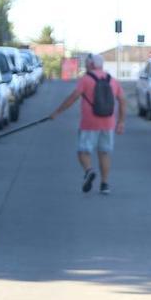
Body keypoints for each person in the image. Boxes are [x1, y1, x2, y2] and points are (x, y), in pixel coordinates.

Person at [48, 53, 125, 194]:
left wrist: (57, 112)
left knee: (83, 151)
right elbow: (122, 100)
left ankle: (89, 170)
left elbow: (73, 97)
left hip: (89, 123)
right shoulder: (112, 80)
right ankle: (105, 185)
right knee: (104, 153)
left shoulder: (86, 80)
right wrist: (121, 121)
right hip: (108, 123)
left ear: (90, 64)